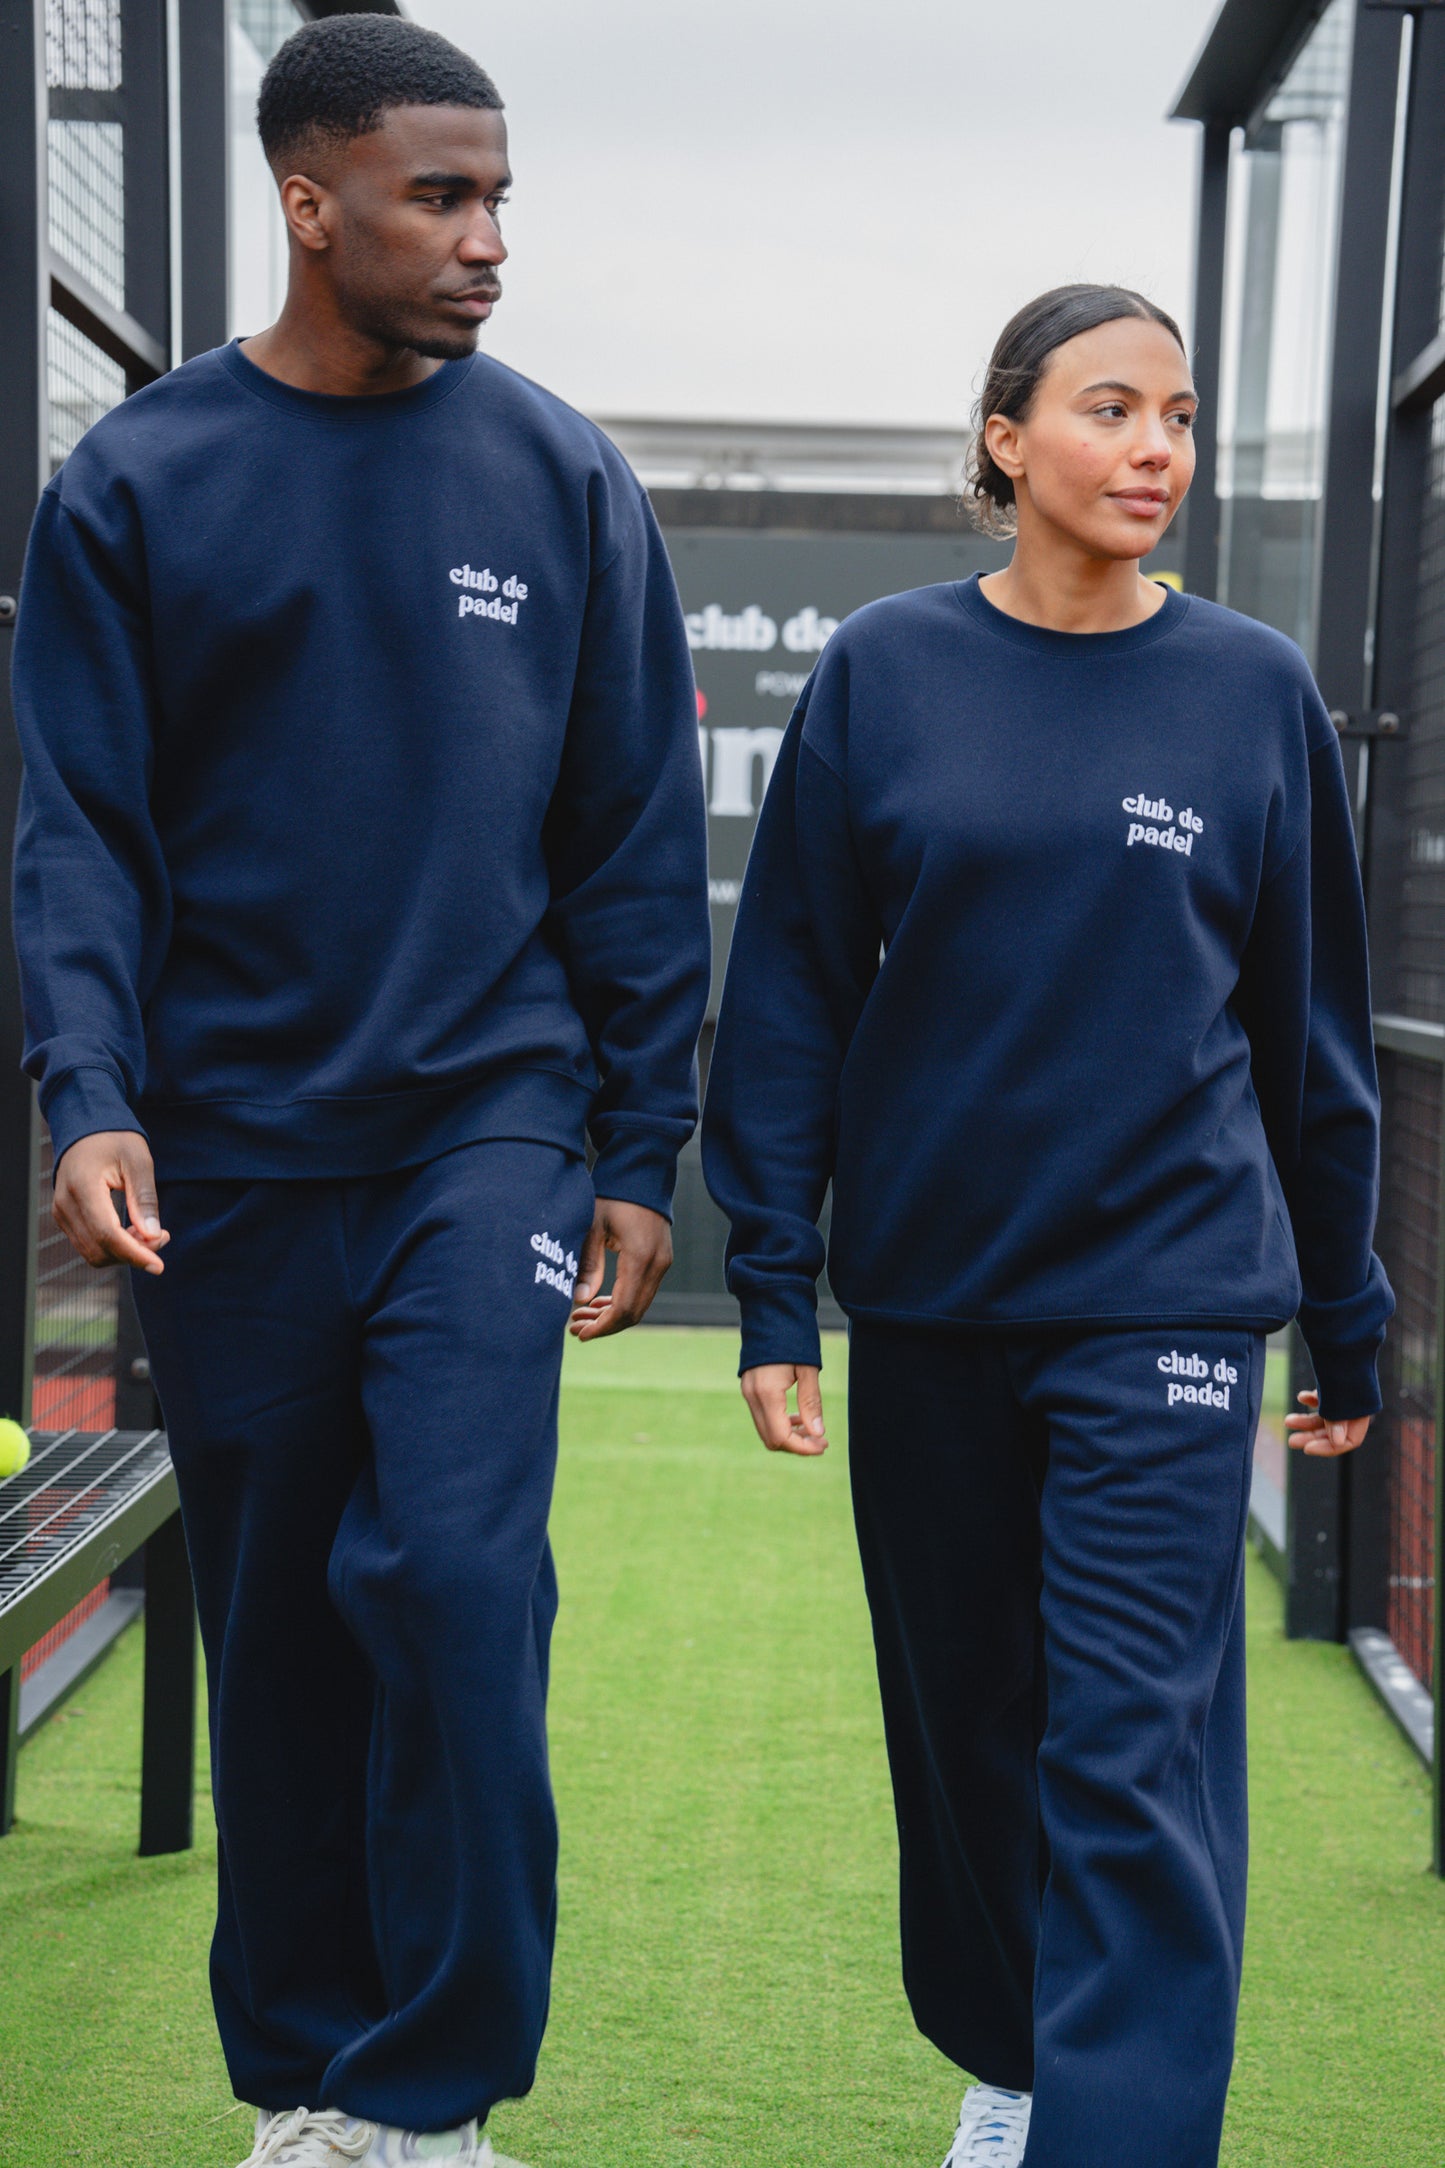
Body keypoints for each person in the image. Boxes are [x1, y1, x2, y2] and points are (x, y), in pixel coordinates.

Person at [11, 16, 708, 2168]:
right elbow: (76, 833)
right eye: (443, 196)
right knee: (284, 1622)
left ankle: (434, 2097)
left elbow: (630, 837)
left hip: (486, 1127)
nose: (489, 239)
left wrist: (637, 1140)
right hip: (224, 1150)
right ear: (311, 202)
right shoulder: (139, 481)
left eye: (500, 197)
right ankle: (310, 2085)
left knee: (459, 1586)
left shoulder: (562, 476)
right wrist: (89, 1090)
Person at [700, 284, 1391, 2168]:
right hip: (932, 1303)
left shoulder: (1251, 689)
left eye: (1178, 415)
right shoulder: (883, 670)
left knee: (1128, 1742)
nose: (1155, 448)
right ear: (1004, 441)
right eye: (1109, 408)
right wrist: (770, 1289)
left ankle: (1118, 2139)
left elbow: (1310, 1037)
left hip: (1167, 1299)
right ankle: (1014, 2067)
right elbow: (791, 998)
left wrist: (1344, 1306)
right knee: (968, 1727)